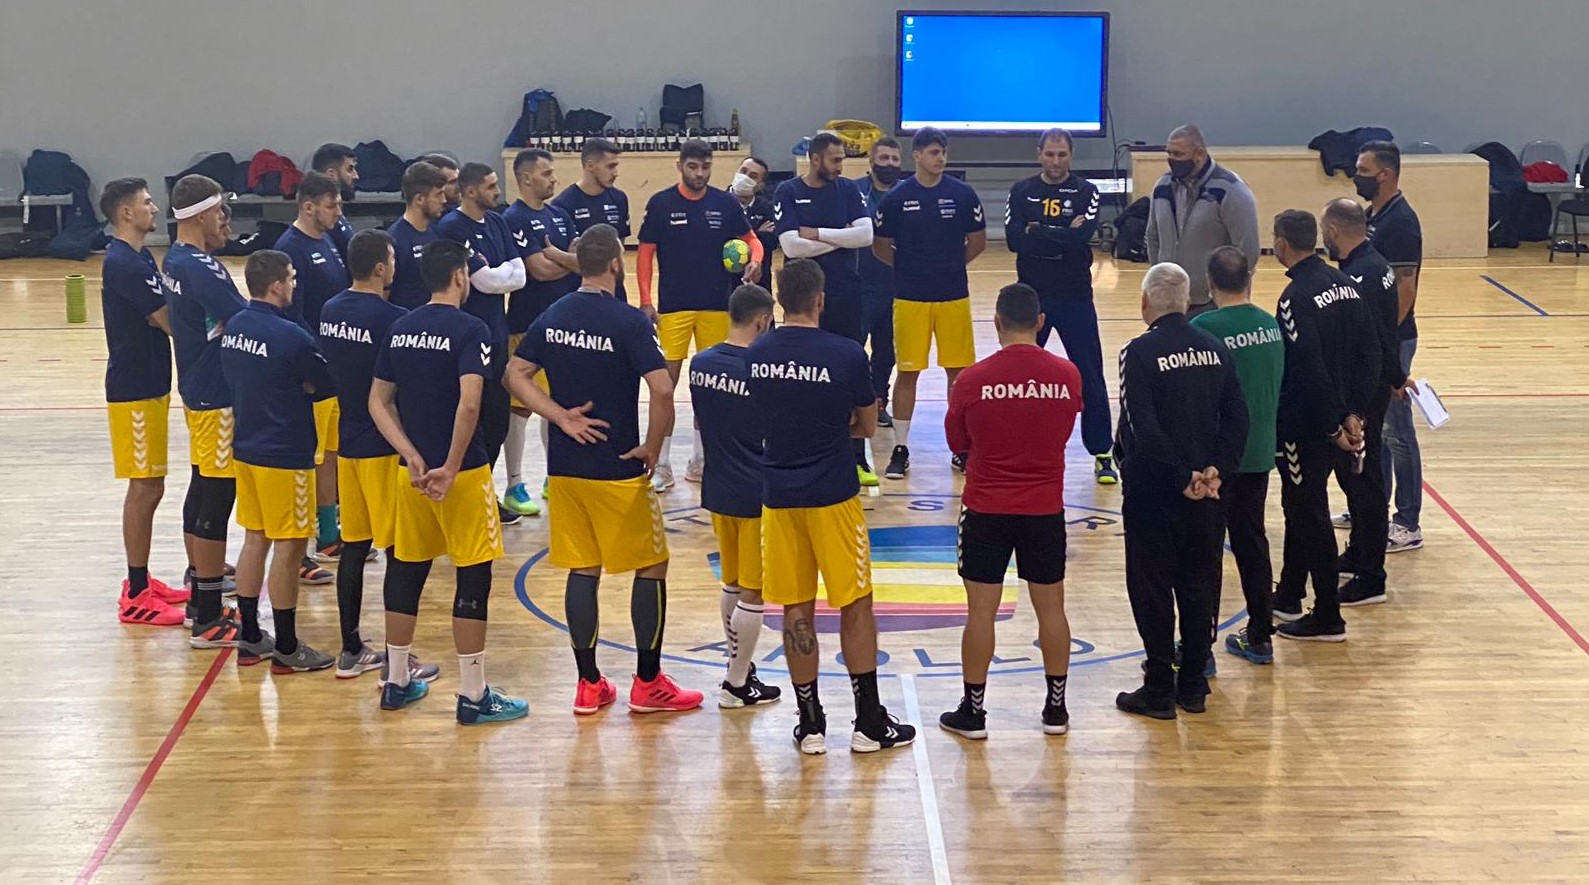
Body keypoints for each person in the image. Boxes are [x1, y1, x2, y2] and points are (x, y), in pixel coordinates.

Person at [504, 224, 704, 716]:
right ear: (617, 264)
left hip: (566, 466)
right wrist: (653, 446)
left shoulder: (554, 314)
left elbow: (514, 373)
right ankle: (648, 683)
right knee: (651, 564)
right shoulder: (628, 321)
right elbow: (662, 388)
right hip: (618, 464)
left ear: (579, 263)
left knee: (583, 568)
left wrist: (559, 416)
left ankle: (589, 684)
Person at [747, 258, 916, 755]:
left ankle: (811, 724)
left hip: (779, 498)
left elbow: (760, 417)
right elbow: (867, 425)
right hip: (833, 497)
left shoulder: (758, 354)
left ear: (779, 301)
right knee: (855, 603)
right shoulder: (846, 354)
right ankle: (868, 723)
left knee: (795, 606)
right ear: (820, 299)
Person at [368, 239, 528, 723]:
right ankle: (474, 695)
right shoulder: (470, 328)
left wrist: (411, 454)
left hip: (411, 477)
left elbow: (378, 401)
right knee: (473, 576)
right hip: (463, 476)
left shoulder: (400, 327)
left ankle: (396, 681)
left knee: (406, 572)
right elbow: (470, 403)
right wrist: (452, 466)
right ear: (461, 276)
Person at [939, 283, 1082, 739]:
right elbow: (1064, 430)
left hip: (987, 508)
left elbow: (957, 442)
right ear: (1040, 322)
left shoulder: (972, 380)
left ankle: (974, 712)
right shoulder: (1067, 375)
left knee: (981, 613)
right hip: (1044, 508)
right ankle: (1056, 710)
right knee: (1051, 609)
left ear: (996, 321)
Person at [1113, 263, 1248, 720]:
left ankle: (1158, 689)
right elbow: (1238, 418)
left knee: (1151, 588)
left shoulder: (1137, 352)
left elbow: (1142, 428)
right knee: (1199, 584)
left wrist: (1181, 476)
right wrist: (1216, 472)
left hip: (1156, 493)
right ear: (1188, 302)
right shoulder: (1216, 348)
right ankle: (1193, 684)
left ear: (1145, 302)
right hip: (1209, 493)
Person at [317, 230, 440, 685]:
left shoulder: (330, 310)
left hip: (348, 442)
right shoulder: (395, 319)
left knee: (354, 547)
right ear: (381, 268)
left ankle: (351, 649)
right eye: (392, 259)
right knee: (398, 553)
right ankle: (395, 658)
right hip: (386, 448)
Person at [220, 250, 337, 672]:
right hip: (286, 454)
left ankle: (251, 637)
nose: (294, 285)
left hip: (246, 448)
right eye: (291, 278)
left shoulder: (234, 327)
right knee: (289, 548)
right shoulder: (293, 336)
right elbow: (325, 384)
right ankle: (287, 646)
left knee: (255, 539)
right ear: (276, 286)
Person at [1269, 210, 1380, 642]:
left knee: (1307, 512)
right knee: (1302, 507)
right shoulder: (1347, 285)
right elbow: (1370, 354)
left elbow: (1308, 368)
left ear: (1281, 244)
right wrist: (1355, 415)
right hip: (1343, 419)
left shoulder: (1294, 298)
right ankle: (1289, 593)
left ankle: (1328, 615)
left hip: (1308, 425)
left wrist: (1333, 424)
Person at [635, 138, 761, 491]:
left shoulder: (726, 203)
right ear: (680, 166)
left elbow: (752, 240)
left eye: (706, 167)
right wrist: (645, 299)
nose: (700, 173)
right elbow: (645, 253)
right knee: (665, 386)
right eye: (693, 167)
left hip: (718, 307)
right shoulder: (661, 203)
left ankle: (702, 460)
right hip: (673, 308)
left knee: (712, 386)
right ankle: (661, 464)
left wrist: (755, 260)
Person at [872, 127, 987, 479]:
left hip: (953, 296)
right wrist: (910, 269)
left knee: (958, 373)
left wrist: (948, 266)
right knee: (908, 372)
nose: (941, 158)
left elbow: (978, 241)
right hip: (910, 298)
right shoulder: (896, 198)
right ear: (917, 155)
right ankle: (901, 448)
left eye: (943, 152)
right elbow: (880, 246)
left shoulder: (962, 194)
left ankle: (961, 447)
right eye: (934, 152)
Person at [689, 284, 784, 707]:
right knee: (753, 592)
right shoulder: (761, 371)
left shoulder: (700, 364)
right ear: (762, 321)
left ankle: (738, 668)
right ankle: (736, 682)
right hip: (755, 490)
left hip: (718, 484)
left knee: (731, 581)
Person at [100, 178, 189, 625]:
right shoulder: (123, 263)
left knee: (153, 484)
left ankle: (143, 578)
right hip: (133, 389)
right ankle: (135, 594)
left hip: (150, 383)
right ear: (126, 213)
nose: (155, 208)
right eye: (147, 202)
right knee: (145, 486)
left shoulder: (139, 257)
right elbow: (165, 319)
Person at [1005, 128, 1116, 484]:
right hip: (1032, 296)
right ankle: (1016, 446)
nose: (1055, 161)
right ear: (1039, 153)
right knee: (1020, 374)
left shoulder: (1087, 191)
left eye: (1062, 154)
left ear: (1071, 155)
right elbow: (1013, 240)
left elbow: (1081, 238)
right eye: (1050, 154)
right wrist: (1062, 232)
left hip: (1074, 295)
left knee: (1090, 375)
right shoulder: (1021, 191)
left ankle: (1102, 452)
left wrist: (1037, 230)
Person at [164, 175, 247, 647]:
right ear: (199, 215)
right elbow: (245, 317)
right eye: (219, 212)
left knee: (201, 487)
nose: (225, 220)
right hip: (216, 395)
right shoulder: (200, 268)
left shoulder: (175, 258)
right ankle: (210, 619)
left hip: (198, 388)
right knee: (217, 496)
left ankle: (200, 599)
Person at [1191, 247, 1284, 665]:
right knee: (1252, 543)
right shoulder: (1271, 325)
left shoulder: (1203, 328)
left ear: (1209, 283)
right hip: (1260, 452)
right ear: (1249, 278)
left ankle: (1200, 649)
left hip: (1217, 461)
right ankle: (1261, 636)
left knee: (1206, 551)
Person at [775, 131, 878, 486]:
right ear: (815, 159)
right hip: (801, 298)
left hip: (845, 293)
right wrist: (840, 236)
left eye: (842, 160)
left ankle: (856, 457)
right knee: (801, 373)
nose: (840, 166)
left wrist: (817, 233)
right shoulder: (788, 191)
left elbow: (865, 236)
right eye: (835, 160)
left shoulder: (848, 190)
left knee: (849, 372)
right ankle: (801, 451)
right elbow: (791, 247)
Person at [1323, 197, 1409, 607]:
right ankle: (1359, 551)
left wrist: (1389, 380)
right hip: (1371, 386)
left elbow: (1373, 340)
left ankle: (1371, 576)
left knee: (1364, 479)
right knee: (1355, 476)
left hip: (1362, 392)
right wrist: (1396, 375)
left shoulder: (1359, 278)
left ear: (1333, 231)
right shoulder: (1376, 265)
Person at [435, 162, 529, 525]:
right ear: (471, 190)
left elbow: (519, 276)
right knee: (471, 419)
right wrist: (499, 274)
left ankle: (484, 492)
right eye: (491, 186)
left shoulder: (497, 222)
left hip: (497, 333)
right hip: (467, 336)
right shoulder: (452, 227)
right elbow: (485, 282)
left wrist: (497, 273)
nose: (498, 191)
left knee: (497, 420)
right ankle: (468, 495)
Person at [274, 170, 351, 574]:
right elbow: (292, 314)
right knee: (312, 456)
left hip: (333, 366)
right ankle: (299, 548)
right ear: (308, 207)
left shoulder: (329, 240)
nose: (338, 212)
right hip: (313, 367)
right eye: (331, 205)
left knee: (330, 453)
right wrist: (314, 358)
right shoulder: (291, 248)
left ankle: (328, 534)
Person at [501, 148, 582, 518]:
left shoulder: (560, 215)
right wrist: (568, 261)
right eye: (546, 173)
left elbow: (581, 261)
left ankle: (555, 476)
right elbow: (539, 270)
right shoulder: (513, 218)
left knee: (559, 405)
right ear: (525, 178)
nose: (554, 179)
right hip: (526, 325)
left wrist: (559, 257)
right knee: (520, 408)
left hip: (564, 326)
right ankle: (514, 484)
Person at [1355, 141, 1425, 554]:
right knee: (1375, 428)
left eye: (1363, 170)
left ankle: (1407, 521)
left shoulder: (1401, 222)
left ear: (1385, 174)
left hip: (1394, 340)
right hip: (1375, 339)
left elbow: (1405, 287)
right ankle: (1373, 509)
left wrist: (1385, 342)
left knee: (1398, 432)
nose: (1356, 176)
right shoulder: (1372, 216)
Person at [1144, 125, 1260, 315]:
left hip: (1213, 303)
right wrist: (1160, 276)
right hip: (1171, 302)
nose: (1172, 160)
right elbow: (1153, 236)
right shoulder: (1162, 187)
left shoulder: (1231, 190)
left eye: (1178, 154)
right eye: (1169, 153)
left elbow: (1248, 248)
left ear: (1199, 154)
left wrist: (1228, 294)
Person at [855, 137, 902, 427]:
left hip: (897, 286)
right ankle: (852, 401)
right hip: (860, 284)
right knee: (854, 347)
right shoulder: (854, 191)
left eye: (895, 159)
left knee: (887, 352)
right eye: (884, 158)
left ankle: (878, 401)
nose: (889, 164)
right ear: (872, 161)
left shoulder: (908, 193)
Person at [554, 137, 630, 301]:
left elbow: (619, 247)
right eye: (610, 166)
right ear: (590, 165)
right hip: (579, 293)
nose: (615, 173)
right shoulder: (563, 205)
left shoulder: (619, 198)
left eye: (616, 166)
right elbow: (568, 258)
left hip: (615, 293)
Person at [387, 161, 451, 310]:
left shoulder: (437, 232)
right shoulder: (395, 240)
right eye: (438, 194)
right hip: (408, 320)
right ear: (419, 199)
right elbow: (385, 295)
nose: (444, 200)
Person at [728, 156, 776, 288]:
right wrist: (757, 234)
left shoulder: (768, 208)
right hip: (725, 283)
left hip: (759, 282)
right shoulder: (718, 203)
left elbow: (771, 242)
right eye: (743, 171)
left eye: (753, 176)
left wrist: (738, 237)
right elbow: (722, 242)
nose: (745, 177)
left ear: (760, 185)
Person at [310, 142, 359, 259]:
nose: (356, 176)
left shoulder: (337, 214)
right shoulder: (321, 222)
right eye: (350, 169)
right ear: (331, 175)